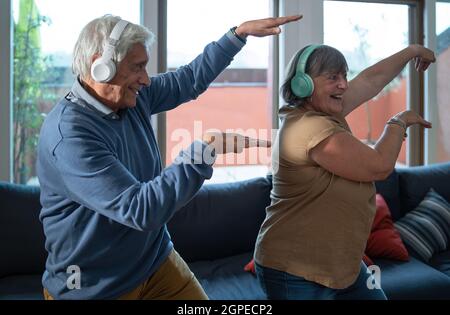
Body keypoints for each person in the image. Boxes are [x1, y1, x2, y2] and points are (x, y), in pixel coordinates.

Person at [37, 14, 302, 300]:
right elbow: (140, 209)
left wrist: (236, 36)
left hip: (154, 262)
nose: (146, 79)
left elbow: (187, 80)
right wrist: (204, 151)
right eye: (137, 67)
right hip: (92, 286)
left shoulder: (133, 98)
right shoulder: (69, 136)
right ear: (102, 65)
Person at [254, 43, 435, 300]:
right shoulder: (308, 128)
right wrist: (398, 122)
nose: (344, 85)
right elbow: (379, 165)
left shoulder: (324, 110)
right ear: (302, 84)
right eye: (333, 78)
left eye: (344, 76)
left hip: (341, 266)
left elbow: (371, 80)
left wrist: (412, 51)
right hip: (295, 269)